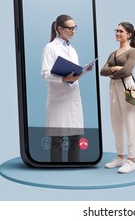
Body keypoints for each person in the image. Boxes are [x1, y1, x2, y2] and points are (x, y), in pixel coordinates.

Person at [41, 14, 90, 162]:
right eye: (70, 28)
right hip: (58, 99)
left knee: (75, 140)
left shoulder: (72, 50)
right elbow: (45, 74)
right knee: (57, 141)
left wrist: (84, 70)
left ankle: (74, 172)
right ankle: (56, 173)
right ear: (59, 29)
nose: (73, 31)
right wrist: (63, 78)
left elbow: (73, 73)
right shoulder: (50, 48)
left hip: (73, 98)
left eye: (75, 28)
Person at [100, 22, 135, 173]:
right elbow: (102, 71)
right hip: (113, 88)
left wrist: (114, 70)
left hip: (126, 87)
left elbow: (127, 71)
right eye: (116, 30)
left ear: (129, 34)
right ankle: (120, 157)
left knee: (130, 124)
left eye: (121, 31)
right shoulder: (113, 54)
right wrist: (115, 68)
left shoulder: (133, 51)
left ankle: (132, 160)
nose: (117, 33)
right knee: (115, 122)